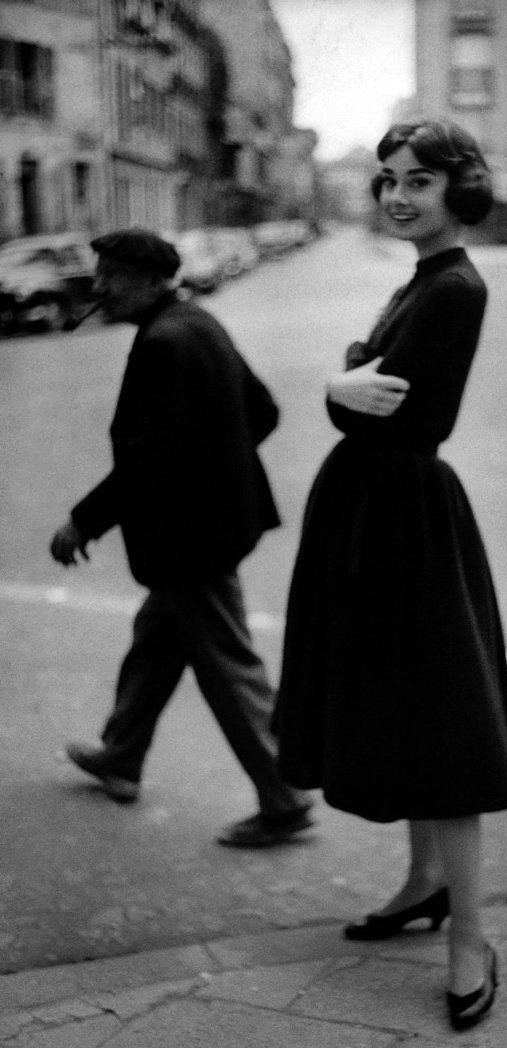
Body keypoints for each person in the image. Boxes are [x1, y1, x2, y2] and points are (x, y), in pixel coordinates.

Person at [272, 120, 507, 1030]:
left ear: (461, 187)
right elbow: (363, 382)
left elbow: (389, 405)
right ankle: (423, 884)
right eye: (387, 180)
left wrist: (342, 385)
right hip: (380, 513)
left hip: (406, 518)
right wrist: (345, 380)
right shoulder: (422, 278)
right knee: (415, 711)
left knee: (445, 723)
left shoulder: (453, 287)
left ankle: (471, 940)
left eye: (419, 180)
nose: (397, 196)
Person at [50, 228, 312, 847]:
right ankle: (121, 755)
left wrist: (83, 521)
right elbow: (263, 411)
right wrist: (219, 465)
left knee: (228, 664)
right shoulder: (197, 323)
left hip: (191, 539)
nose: (99, 287)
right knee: (157, 642)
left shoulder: (164, 343)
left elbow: (146, 463)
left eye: (112, 275)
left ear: (149, 280)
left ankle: (284, 795)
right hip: (211, 527)